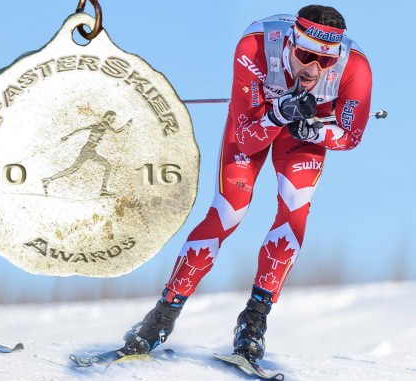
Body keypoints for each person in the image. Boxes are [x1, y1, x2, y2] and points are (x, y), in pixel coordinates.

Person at [121, 5, 372, 362]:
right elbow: (248, 137)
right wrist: (277, 114)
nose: (313, 69)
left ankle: (253, 323)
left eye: (325, 62)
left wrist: (318, 129)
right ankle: (160, 318)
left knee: (295, 208)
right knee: (229, 212)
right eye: (304, 56)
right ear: (289, 44)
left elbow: (351, 136)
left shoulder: (356, 67)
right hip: (256, 119)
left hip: (305, 130)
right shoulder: (256, 46)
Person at [42, 111, 131, 197]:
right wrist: (127, 125)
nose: (114, 120)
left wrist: (69, 135)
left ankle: (103, 189)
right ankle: (48, 180)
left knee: (107, 166)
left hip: (91, 152)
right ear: (108, 117)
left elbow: (81, 129)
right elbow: (116, 131)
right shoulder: (104, 123)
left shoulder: (97, 124)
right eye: (113, 118)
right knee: (72, 170)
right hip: (87, 151)